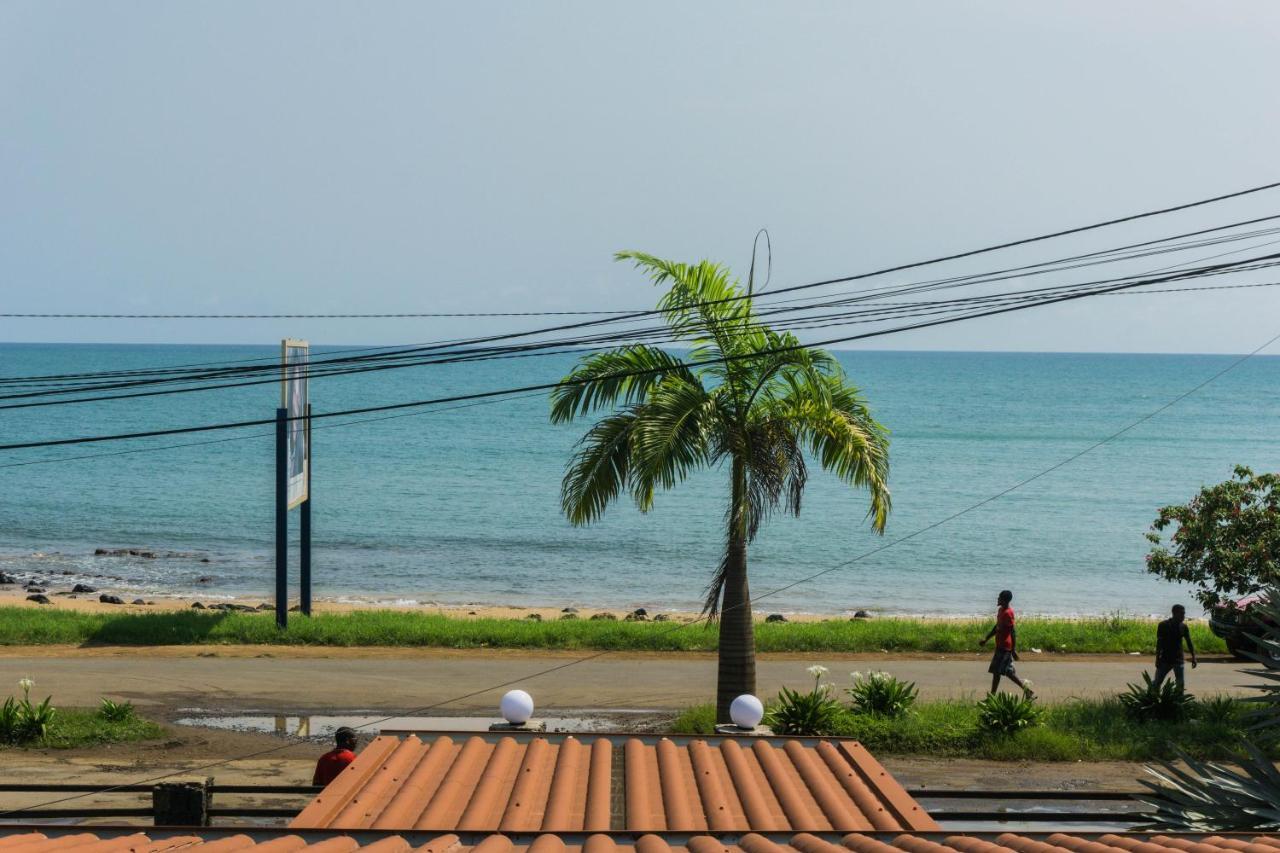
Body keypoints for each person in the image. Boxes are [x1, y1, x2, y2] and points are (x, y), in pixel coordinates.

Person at [979, 589, 1035, 698]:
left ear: (1004, 600)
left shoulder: (1008, 613)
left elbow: (1012, 632)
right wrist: (986, 639)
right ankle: (1027, 692)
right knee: (1004, 672)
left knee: (1000, 672)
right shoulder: (1001, 610)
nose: (997, 599)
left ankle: (992, 697)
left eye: (999, 597)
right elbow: (997, 627)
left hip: (1005, 647)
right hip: (1000, 646)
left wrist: (1013, 650)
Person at [1154, 604, 1198, 689]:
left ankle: (1179, 701)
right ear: (1174, 613)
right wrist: (1157, 658)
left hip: (1178, 659)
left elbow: (1189, 642)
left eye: (1184, 613)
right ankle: (1152, 699)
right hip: (1165, 659)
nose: (1183, 616)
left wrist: (1193, 657)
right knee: (1157, 682)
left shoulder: (1183, 627)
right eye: (1181, 613)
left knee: (1180, 684)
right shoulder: (1163, 625)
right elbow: (1159, 643)